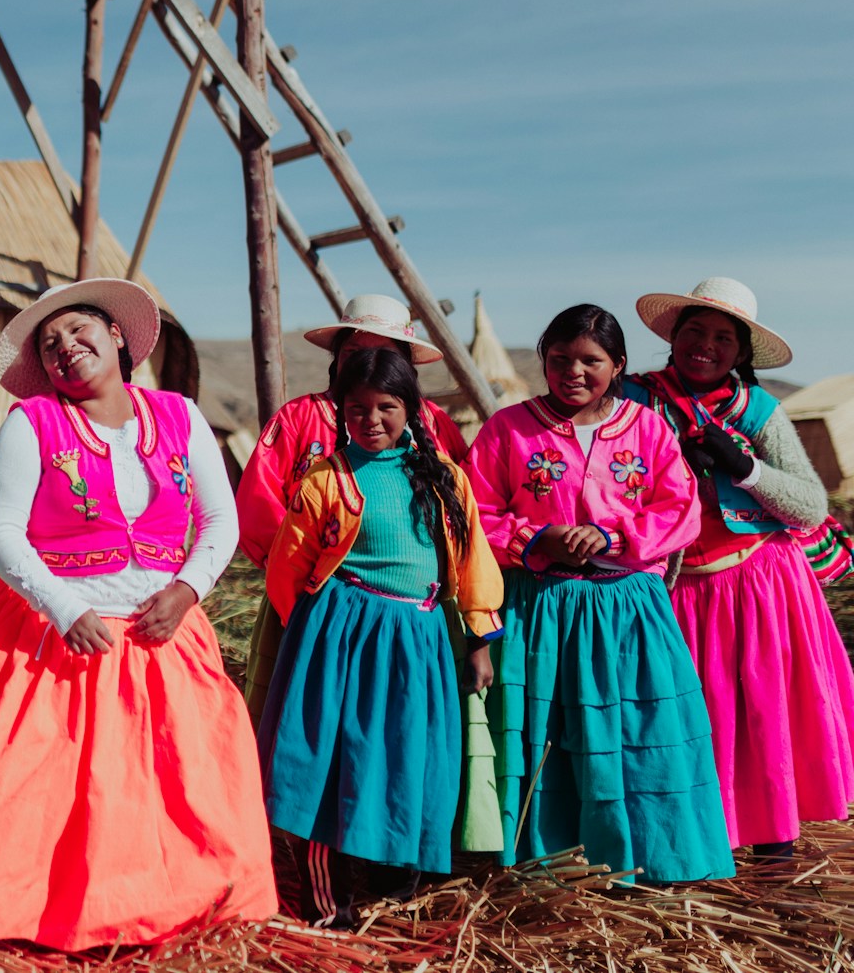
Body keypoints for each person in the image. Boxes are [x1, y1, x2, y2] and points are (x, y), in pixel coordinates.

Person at [0, 279, 275, 950]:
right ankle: (49, 914)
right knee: (57, 789)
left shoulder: (181, 418)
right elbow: (3, 533)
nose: (66, 350)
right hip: (60, 635)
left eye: (79, 333)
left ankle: (174, 908)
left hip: (164, 632)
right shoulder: (33, 424)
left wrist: (188, 590)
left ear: (117, 339)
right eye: (50, 347)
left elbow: (220, 518)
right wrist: (66, 607)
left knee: (177, 780)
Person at [464, 304, 733, 883]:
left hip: (627, 612)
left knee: (640, 731)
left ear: (619, 365)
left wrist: (612, 535)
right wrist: (539, 537)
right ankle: (551, 866)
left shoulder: (647, 428)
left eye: (591, 360)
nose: (573, 372)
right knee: (550, 736)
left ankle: (652, 860)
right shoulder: (507, 429)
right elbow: (476, 512)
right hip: (543, 608)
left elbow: (678, 511)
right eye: (559, 359)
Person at [258, 347, 504, 928]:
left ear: (412, 408)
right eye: (357, 409)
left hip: (417, 640)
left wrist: (479, 639)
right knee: (335, 760)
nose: (371, 420)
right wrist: (317, 640)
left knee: (409, 757)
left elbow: (473, 564)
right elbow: (286, 569)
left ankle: (397, 888)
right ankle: (331, 902)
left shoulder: (445, 479)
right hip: (342, 638)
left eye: (386, 407)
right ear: (341, 411)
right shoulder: (325, 478)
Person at [623, 277, 854, 861]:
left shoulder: (759, 413)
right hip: (673, 589)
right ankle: (690, 841)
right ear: (673, 337)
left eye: (723, 337)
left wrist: (744, 467)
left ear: (742, 353)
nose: (706, 345)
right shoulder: (632, 402)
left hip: (757, 584)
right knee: (689, 714)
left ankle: (773, 843)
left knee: (761, 710)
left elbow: (809, 503)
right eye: (695, 331)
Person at [234, 294, 468, 721]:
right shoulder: (300, 417)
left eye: (383, 353)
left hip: (411, 609)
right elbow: (258, 501)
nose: (366, 362)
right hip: (309, 597)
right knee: (307, 712)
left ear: (405, 365)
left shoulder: (431, 424)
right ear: (336, 358)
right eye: (354, 353)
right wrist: (300, 585)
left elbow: (460, 505)